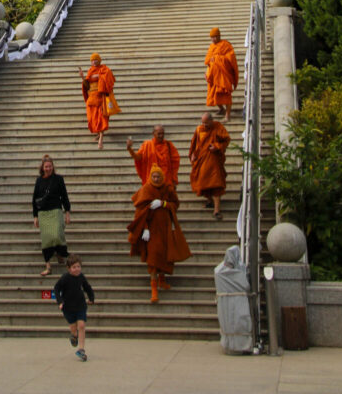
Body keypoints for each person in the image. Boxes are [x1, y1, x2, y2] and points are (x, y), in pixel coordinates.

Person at [127, 164, 192, 302]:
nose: (156, 179)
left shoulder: (168, 189)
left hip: (166, 228)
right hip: (151, 230)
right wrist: (144, 228)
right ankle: (154, 289)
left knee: (165, 254)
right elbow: (140, 212)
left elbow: (175, 204)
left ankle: (162, 280)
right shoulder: (146, 189)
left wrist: (163, 204)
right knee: (154, 258)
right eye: (154, 177)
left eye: (158, 177)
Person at [32, 155, 71, 276]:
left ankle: (60, 254)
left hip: (56, 210)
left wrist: (67, 212)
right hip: (43, 212)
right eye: (46, 166)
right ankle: (48, 266)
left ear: (53, 167)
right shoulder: (39, 181)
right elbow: (34, 199)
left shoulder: (58, 179)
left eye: (50, 166)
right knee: (46, 239)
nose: (48, 168)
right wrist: (35, 216)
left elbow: (64, 196)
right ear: (42, 168)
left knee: (58, 233)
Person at [53, 253, 95, 362]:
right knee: (73, 328)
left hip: (80, 305)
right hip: (68, 307)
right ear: (69, 268)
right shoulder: (65, 278)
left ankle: (81, 349)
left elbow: (87, 287)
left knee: (81, 325)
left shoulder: (81, 277)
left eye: (78, 267)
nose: (77, 269)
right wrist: (60, 301)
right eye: (74, 267)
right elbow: (56, 289)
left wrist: (91, 298)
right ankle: (73, 335)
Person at [189, 112, 231, 219]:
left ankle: (216, 209)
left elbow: (226, 140)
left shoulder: (218, 127)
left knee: (216, 183)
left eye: (206, 123)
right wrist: (193, 154)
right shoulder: (199, 129)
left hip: (214, 159)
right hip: (202, 159)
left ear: (212, 121)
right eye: (203, 123)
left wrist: (217, 146)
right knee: (201, 181)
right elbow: (194, 144)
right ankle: (210, 200)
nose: (204, 125)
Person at [78, 53, 116, 149]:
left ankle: (101, 140)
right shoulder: (90, 71)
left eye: (95, 60)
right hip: (92, 98)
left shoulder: (104, 69)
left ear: (99, 60)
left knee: (102, 118)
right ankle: (99, 134)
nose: (94, 62)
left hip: (101, 97)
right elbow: (87, 86)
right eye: (92, 60)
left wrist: (101, 78)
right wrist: (82, 77)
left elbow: (109, 81)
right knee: (92, 118)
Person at [204, 27, 239, 121]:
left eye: (215, 37)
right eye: (212, 37)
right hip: (214, 76)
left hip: (224, 75)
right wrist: (210, 64)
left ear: (219, 36)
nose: (213, 39)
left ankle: (227, 115)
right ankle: (221, 109)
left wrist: (218, 58)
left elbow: (230, 59)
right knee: (213, 95)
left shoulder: (226, 45)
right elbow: (207, 59)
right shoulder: (211, 47)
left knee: (226, 95)